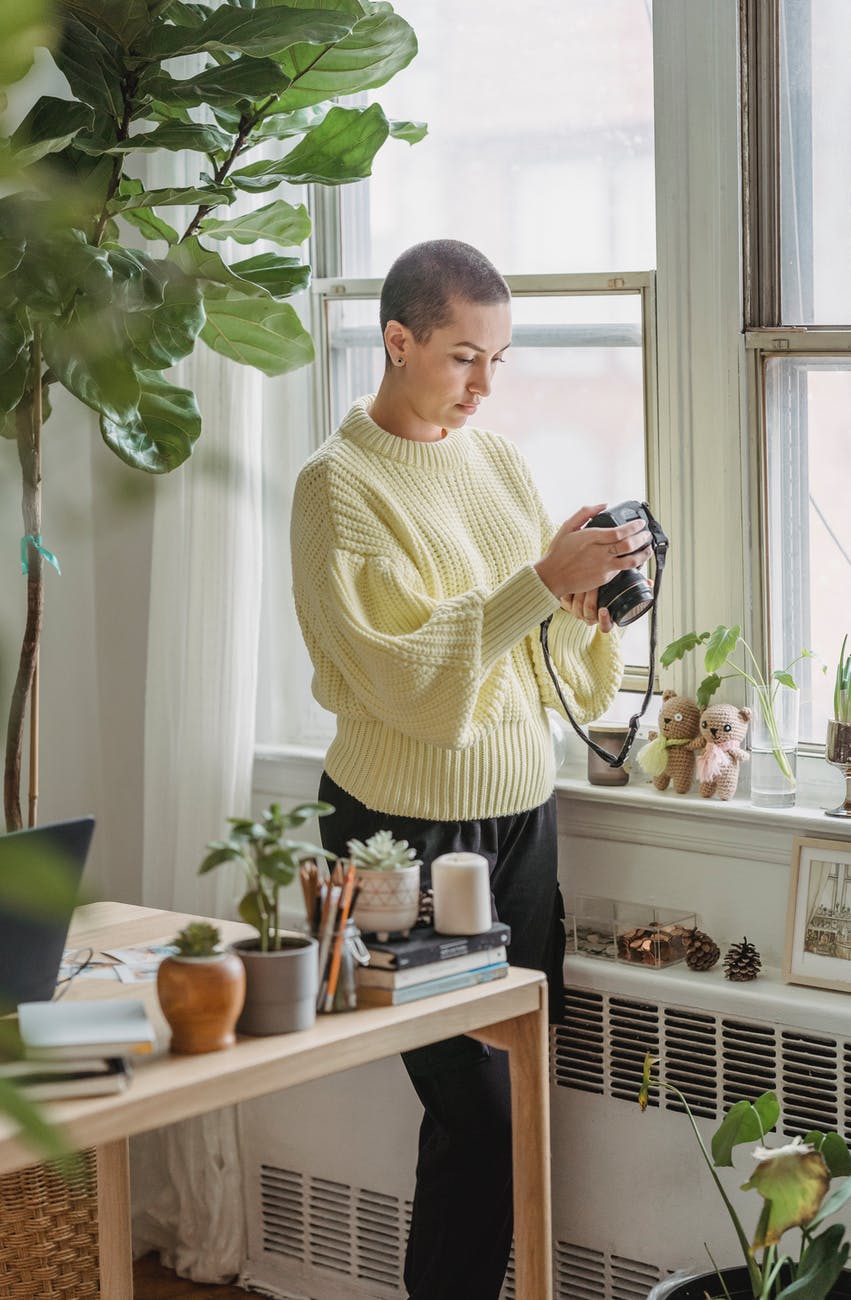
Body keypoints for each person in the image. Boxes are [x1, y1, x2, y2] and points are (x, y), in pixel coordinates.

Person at [289, 239, 652, 1300]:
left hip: (519, 819)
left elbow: (542, 667)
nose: (485, 387)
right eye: (461, 358)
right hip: (395, 829)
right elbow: (398, 676)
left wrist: (587, 594)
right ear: (396, 342)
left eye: (498, 358)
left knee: (520, 1099)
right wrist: (540, 581)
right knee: (476, 1114)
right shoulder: (337, 488)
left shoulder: (492, 461)